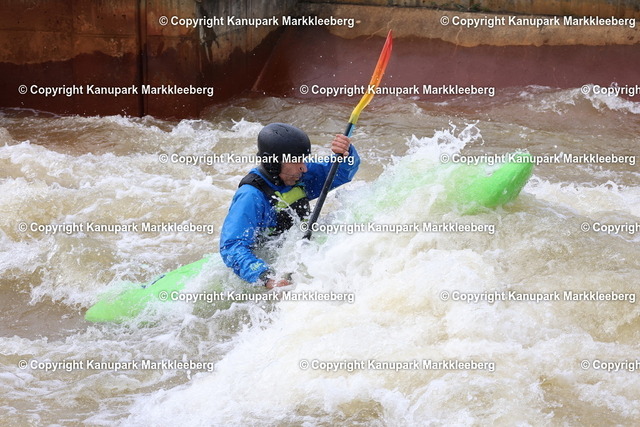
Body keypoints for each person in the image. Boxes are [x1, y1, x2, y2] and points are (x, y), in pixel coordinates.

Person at [220, 123, 360, 289]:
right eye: (295, 160)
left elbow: (342, 172)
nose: (304, 167)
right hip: (265, 264)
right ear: (273, 163)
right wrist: (266, 278)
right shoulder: (251, 196)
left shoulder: (298, 175)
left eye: (303, 159)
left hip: (300, 251)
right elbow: (232, 246)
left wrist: (346, 153)